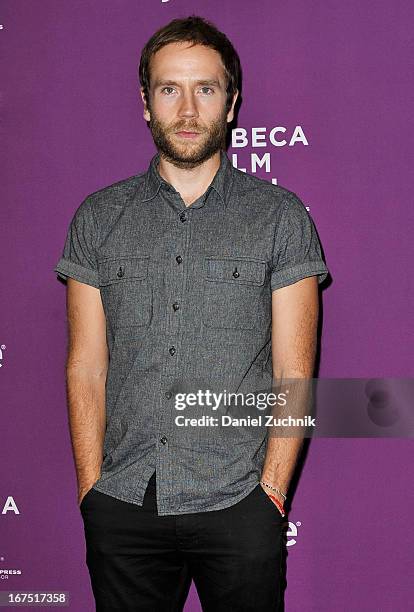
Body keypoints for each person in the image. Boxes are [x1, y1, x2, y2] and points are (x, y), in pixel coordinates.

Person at [53, 14, 329, 612]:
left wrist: (272, 495)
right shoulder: (98, 219)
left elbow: (296, 372)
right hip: (124, 503)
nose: (186, 109)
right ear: (145, 103)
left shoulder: (280, 218)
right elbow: (85, 366)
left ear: (230, 104)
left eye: (205, 89)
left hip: (240, 506)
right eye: (168, 88)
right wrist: (91, 492)